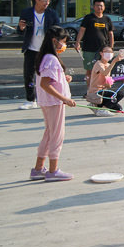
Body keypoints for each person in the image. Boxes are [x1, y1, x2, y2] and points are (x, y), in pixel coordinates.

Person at [30, 26, 76, 182]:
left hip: (49, 101)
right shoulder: (51, 58)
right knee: (57, 136)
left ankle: (38, 169)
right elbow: (45, 83)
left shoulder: (45, 57)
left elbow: (49, 80)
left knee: (49, 135)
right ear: (54, 41)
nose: (64, 45)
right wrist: (64, 98)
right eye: (63, 41)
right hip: (54, 103)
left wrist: (64, 78)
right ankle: (53, 170)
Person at [17, 0, 60, 110]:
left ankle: (51, 97)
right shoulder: (26, 12)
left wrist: (58, 42)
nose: (47, 2)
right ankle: (31, 100)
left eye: (48, 0)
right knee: (28, 75)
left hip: (47, 49)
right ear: (37, 0)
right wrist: (21, 28)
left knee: (50, 74)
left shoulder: (51, 13)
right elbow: (19, 31)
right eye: (44, 0)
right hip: (31, 48)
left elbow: (58, 30)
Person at [75, 0, 114, 75]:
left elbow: (111, 33)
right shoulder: (88, 18)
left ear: (104, 7)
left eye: (101, 6)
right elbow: (82, 30)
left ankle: (100, 86)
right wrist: (77, 42)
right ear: (93, 7)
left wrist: (111, 47)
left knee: (103, 69)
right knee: (90, 70)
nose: (99, 7)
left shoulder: (107, 19)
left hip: (103, 50)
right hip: (89, 48)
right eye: (97, 5)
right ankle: (90, 87)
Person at [85, 46, 124, 114]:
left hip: (103, 91)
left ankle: (96, 105)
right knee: (120, 94)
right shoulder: (98, 64)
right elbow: (105, 73)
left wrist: (109, 83)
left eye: (111, 52)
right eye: (106, 52)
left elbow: (106, 81)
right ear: (101, 53)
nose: (109, 53)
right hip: (96, 92)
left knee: (118, 108)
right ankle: (102, 109)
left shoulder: (107, 64)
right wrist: (114, 61)